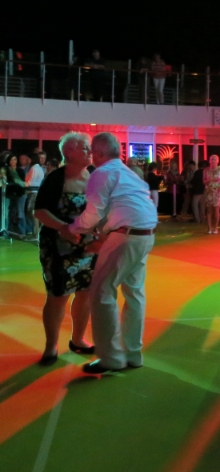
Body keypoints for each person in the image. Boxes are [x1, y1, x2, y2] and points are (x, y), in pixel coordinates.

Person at [65, 132, 158, 373]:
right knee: (134, 293)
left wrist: (72, 228)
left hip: (125, 236)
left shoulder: (102, 173)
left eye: (91, 150)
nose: (89, 154)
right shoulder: (129, 173)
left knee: (102, 292)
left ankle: (111, 357)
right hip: (145, 235)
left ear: (99, 152)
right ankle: (132, 354)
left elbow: (93, 213)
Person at [34, 133, 99, 366]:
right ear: (69, 152)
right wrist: (63, 227)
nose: (90, 152)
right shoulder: (55, 179)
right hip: (58, 247)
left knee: (85, 293)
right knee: (58, 296)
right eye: (85, 148)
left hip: (88, 246)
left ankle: (78, 339)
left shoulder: (94, 176)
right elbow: (40, 211)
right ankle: (51, 346)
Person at [4, 154, 30, 236]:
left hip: (20, 194)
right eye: (11, 160)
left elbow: (21, 182)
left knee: (20, 212)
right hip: (10, 194)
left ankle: (22, 231)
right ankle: (9, 230)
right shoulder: (6, 170)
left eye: (15, 159)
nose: (13, 161)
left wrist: (21, 184)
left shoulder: (20, 170)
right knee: (10, 212)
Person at [204, 155, 220, 234]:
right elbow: (203, 181)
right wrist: (208, 180)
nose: (213, 161)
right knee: (209, 209)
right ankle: (209, 228)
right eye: (212, 159)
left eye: (215, 159)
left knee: (216, 209)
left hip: (218, 191)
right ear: (209, 160)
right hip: (209, 191)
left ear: (217, 161)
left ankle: (215, 227)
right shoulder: (206, 170)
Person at [26, 151, 48, 237]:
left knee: (32, 212)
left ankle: (36, 233)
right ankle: (36, 232)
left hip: (33, 193)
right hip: (35, 193)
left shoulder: (34, 169)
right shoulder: (38, 168)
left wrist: (23, 184)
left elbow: (30, 182)